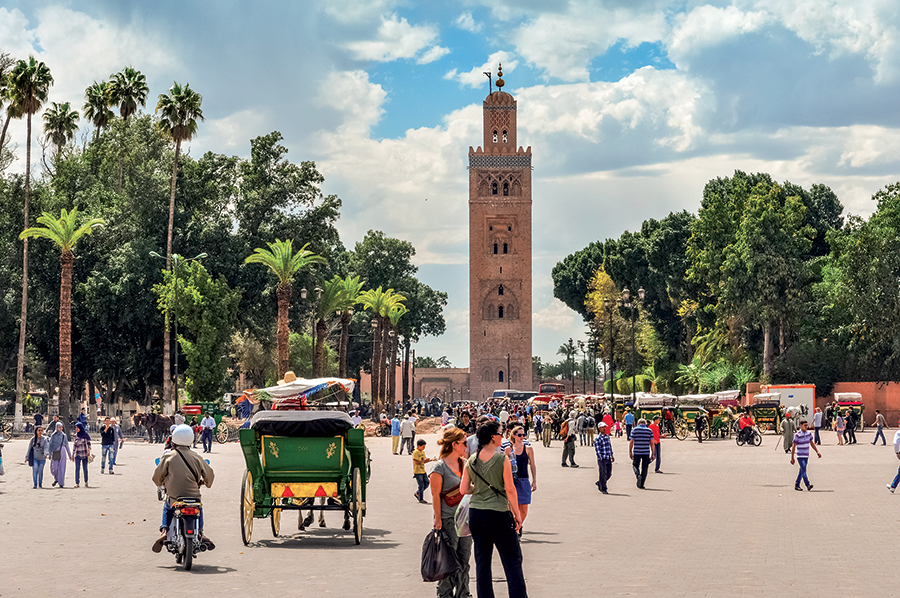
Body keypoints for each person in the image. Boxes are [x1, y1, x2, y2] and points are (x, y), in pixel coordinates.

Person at [459, 421, 528, 598]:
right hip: (498, 513)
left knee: (482, 561)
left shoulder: (472, 460)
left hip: (476, 513)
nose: (502, 436)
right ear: (492, 437)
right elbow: (510, 489)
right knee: (512, 558)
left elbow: (464, 489)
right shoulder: (501, 459)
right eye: (500, 433)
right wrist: (517, 514)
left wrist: (481, 489)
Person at [151, 424, 216, 552]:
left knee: (168, 507)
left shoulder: (168, 456)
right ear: (191, 439)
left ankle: (164, 531)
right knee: (199, 507)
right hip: (193, 497)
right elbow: (210, 475)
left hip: (175, 497)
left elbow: (156, 478)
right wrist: (205, 483)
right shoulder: (197, 457)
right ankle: (200, 532)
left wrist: (162, 483)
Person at [430, 428, 473, 598]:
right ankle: (445, 594)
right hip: (448, 519)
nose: (466, 446)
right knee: (448, 561)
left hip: (466, 519)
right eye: (464, 442)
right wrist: (438, 519)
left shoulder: (464, 463)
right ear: (454, 444)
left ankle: (463, 594)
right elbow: (435, 495)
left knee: (464, 559)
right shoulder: (439, 467)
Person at [507, 423, 536, 532]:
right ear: (513, 435)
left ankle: (518, 526)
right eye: (519, 435)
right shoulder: (508, 450)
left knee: (523, 509)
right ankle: (515, 529)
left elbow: (532, 465)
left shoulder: (528, 449)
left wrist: (534, 481)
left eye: (523, 435)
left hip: (524, 480)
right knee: (512, 509)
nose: (522, 437)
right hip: (512, 481)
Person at [790, 419, 821, 491]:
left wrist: (817, 451)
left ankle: (797, 485)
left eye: (807, 425)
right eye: (805, 425)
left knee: (801, 470)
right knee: (804, 470)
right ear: (800, 426)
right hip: (800, 456)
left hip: (806, 455)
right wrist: (792, 458)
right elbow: (794, 446)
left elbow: (812, 443)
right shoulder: (797, 435)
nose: (806, 427)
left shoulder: (809, 434)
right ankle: (807, 484)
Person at [629, 418, 655, 489]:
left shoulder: (635, 430)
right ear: (645, 423)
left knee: (635, 465)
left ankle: (638, 475)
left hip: (637, 451)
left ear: (638, 423)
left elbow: (631, 441)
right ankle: (642, 484)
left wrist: (630, 452)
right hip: (646, 452)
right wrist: (653, 454)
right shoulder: (649, 430)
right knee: (645, 468)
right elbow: (652, 443)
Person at [48, 422, 71, 488]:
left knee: (62, 467)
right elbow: (50, 445)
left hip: (62, 452)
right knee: (54, 468)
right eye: (59, 427)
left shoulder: (64, 435)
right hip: (55, 452)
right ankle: (56, 479)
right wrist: (49, 453)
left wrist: (70, 455)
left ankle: (61, 483)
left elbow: (67, 445)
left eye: (61, 427)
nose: (61, 429)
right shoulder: (53, 435)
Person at [412, 439, 435, 503]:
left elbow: (424, 459)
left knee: (427, 483)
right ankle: (421, 498)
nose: (424, 448)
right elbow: (417, 462)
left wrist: (429, 459)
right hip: (417, 471)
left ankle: (418, 493)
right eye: (423, 447)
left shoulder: (422, 452)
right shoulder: (415, 452)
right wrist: (427, 460)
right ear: (419, 446)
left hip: (422, 470)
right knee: (421, 485)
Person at [593, 421, 614, 494]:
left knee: (609, 473)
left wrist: (612, 455)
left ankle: (600, 482)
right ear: (599, 429)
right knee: (602, 473)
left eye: (605, 427)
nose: (604, 428)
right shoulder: (598, 439)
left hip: (608, 457)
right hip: (602, 458)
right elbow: (597, 449)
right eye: (602, 427)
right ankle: (603, 488)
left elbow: (609, 446)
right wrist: (600, 457)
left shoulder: (607, 437)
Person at [72, 422, 92, 488]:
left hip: (84, 454)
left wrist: (89, 450)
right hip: (77, 454)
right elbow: (74, 445)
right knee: (77, 468)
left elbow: (89, 444)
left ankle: (86, 482)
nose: (76, 429)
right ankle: (77, 483)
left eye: (77, 427)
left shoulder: (85, 435)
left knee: (85, 469)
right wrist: (72, 454)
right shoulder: (76, 435)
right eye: (76, 428)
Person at [886, 428, 900, 493]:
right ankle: (893, 486)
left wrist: (897, 452)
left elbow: (895, 443)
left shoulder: (898, 433)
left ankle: (893, 487)